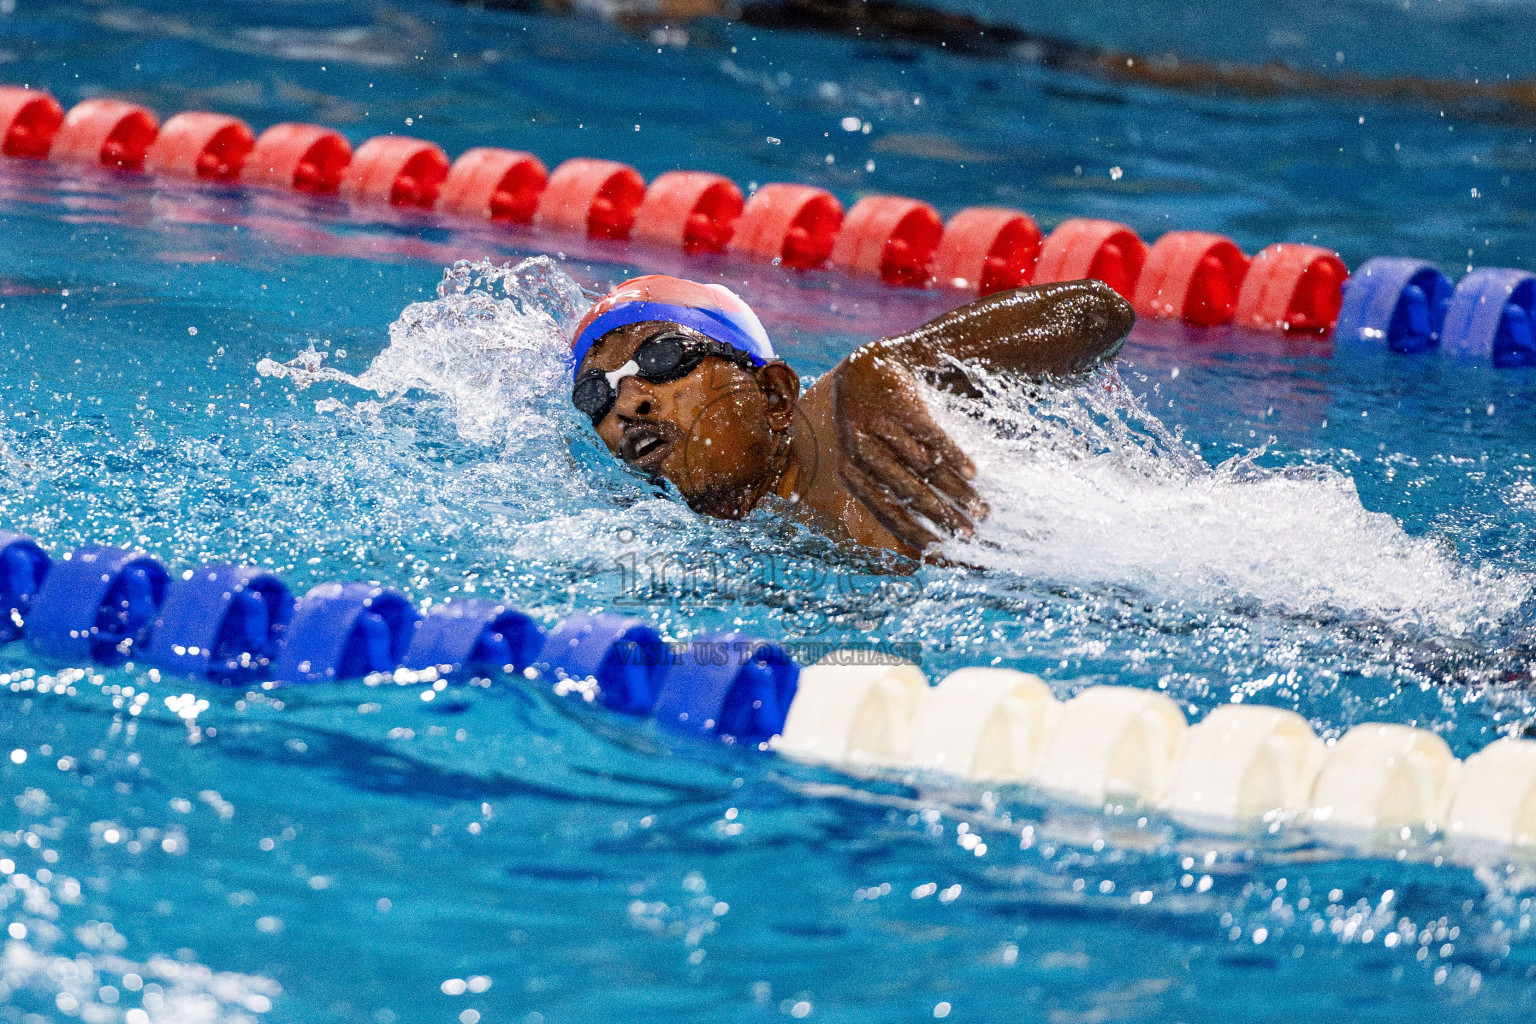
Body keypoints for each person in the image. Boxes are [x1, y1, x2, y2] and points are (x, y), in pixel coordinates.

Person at [569, 274, 1133, 558]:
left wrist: (899, 363)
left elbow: (1098, 311)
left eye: (662, 357)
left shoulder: (850, 415)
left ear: (774, 394)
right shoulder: (687, 540)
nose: (628, 401)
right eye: (596, 394)